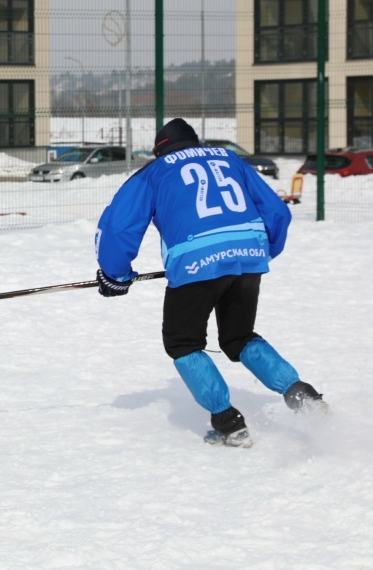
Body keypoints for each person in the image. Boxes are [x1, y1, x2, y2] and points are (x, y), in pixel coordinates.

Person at [94, 118, 326, 448]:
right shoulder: (231, 159)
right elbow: (277, 212)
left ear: (159, 150)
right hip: (248, 253)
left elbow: (119, 226)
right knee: (239, 337)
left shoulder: (155, 171)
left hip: (194, 261)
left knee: (183, 343)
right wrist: (261, 251)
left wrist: (115, 275)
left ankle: (229, 424)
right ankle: (304, 396)